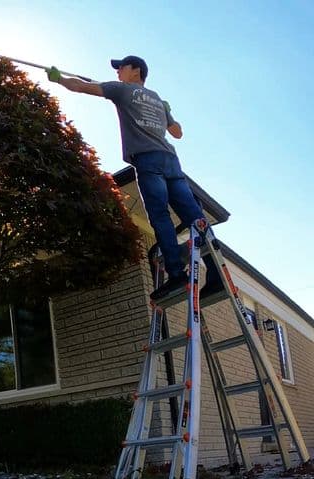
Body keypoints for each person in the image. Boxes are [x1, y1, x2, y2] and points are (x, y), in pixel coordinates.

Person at [46, 55, 220, 300]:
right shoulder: (158, 99)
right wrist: (169, 112)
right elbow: (177, 133)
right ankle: (216, 273)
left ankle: (177, 276)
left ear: (136, 71)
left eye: (121, 68)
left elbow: (80, 87)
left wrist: (59, 78)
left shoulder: (122, 90)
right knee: (194, 216)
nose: (118, 73)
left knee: (160, 216)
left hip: (148, 160)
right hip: (170, 160)